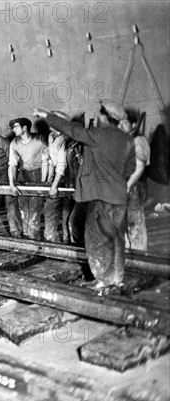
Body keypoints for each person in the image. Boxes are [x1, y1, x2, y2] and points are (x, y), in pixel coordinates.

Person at [33, 103, 136, 288]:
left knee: (97, 238)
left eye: (100, 115)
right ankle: (116, 277)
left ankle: (103, 280)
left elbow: (72, 129)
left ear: (104, 117)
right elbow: (131, 169)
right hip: (119, 196)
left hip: (100, 196)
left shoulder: (98, 135)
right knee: (116, 238)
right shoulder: (127, 140)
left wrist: (47, 115)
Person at [8, 117, 48, 239]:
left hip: (38, 173)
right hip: (23, 175)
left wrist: (43, 183)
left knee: (35, 209)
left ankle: (33, 237)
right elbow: (12, 164)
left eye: (15, 127)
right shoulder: (14, 142)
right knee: (23, 208)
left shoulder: (40, 139)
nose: (13, 129)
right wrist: (11, 184)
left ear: (24, 127)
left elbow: (46, 161)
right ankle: (26, 236)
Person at [120, 116, 150, 251]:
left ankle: (139, 254)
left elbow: (141, 167)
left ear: (133, 124)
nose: (121, 125)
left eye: (125, 123)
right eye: (119, 123)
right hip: (124, 186)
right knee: (124, 221)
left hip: (135, 186)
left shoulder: (138, 140)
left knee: (134, 222)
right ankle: (129, 254)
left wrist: (128, 185)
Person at [43, 112, 69, 242]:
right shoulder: (51, 136)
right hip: (57, 176)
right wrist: (48, 179)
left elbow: (62, 164)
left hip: (67, 177)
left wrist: (54, 185)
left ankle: (67, 241)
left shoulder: (64, 138)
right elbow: (51, 161)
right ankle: (50, 240)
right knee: (51, 209)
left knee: (66, 213)